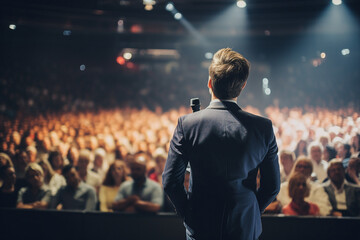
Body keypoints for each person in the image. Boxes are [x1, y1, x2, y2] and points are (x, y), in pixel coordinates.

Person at [162, 48, 280, 240]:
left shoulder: (187, 124)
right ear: (242, 86)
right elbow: (272, 186)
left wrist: (189, 215)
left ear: (210, 83)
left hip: (201, 225)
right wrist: (248, 210)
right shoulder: (263, 127)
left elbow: (170, 182)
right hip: (244, 226)